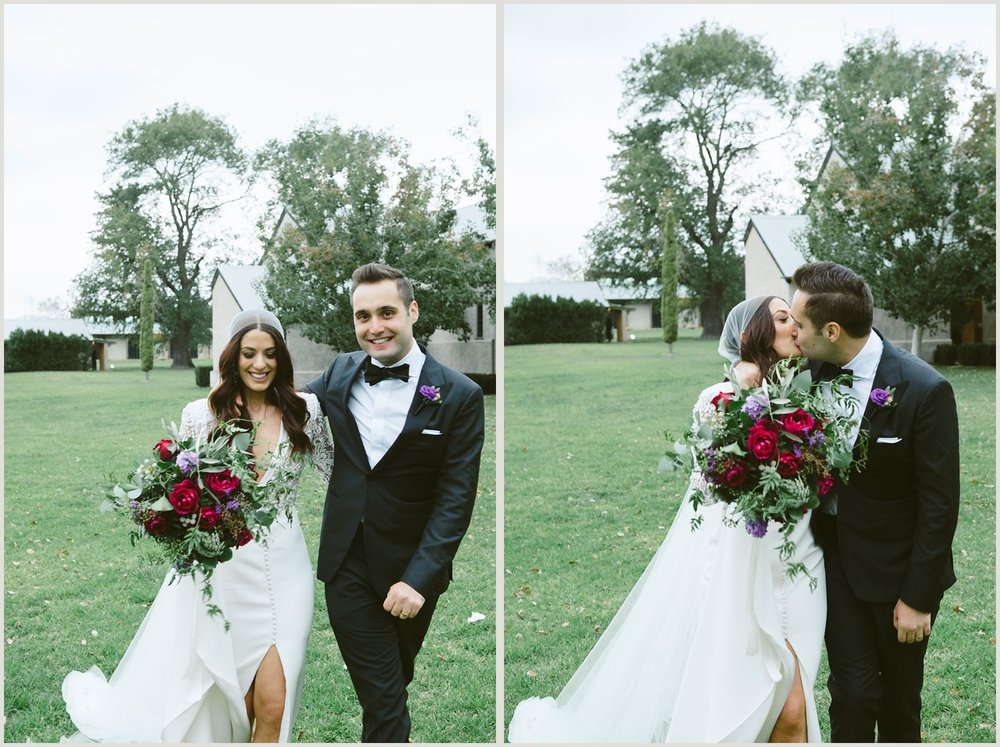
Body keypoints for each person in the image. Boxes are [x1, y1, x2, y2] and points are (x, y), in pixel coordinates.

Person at [509, 296, 826, 743]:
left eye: (794, 318)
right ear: (753, 333)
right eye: (781, 318)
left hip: (796, 568)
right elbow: (713, 487)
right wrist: (745, 393)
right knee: (767, 704)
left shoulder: (806, 398)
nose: (794, 326)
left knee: (792, 707)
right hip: (738, 569)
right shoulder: (716, 399)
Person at [61, 309, 335, 743]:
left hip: (287, 570)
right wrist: (166, 515)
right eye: (249, 354)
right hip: (221, 569)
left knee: (273, 702)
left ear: (282, 358)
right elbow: (174, 485)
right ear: (233, 357)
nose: (259, 364)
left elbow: (344, 476)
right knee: (227, 697)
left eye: (269, 354)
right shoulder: (201, 415)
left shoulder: (307, 410)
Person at [305, 262, 485, 743]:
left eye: (386, 312)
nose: (374, 327)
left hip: (413, 572)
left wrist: (418, 579)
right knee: (385, 700)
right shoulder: (339, 374)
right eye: (363, 316)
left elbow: (456, 498)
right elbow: (283, 407)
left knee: (390, 685)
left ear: (412, 311)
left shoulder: (459, 396)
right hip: (347, 563)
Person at [789, 261, 959, 742]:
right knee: (853, 694)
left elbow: (940, 505)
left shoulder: (925, 391)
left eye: (800, 324)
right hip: (837, 564)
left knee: (900, 700)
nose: (795, 333)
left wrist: (917, 598)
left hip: (899, 574)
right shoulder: (808, 375)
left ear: (832, 329)